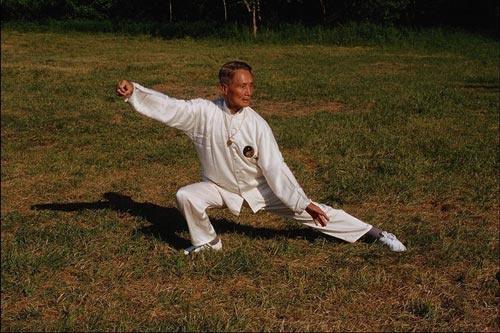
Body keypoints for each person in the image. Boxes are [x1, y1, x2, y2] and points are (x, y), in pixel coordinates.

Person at [116, 61, 406, 254]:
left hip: (262, 189)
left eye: (251, 85)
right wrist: (135, 94)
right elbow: (170, 108)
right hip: (219, 186)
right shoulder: (202, 113)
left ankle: (375, 234)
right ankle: (207, 242)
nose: (249, 91)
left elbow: (275, 167)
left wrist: (302, 201)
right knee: (186, 196)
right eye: (243, 86)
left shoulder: (257, 124)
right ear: (224, 88)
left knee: (315, 213)